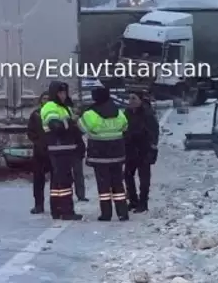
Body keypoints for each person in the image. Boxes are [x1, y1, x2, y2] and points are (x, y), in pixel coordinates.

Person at [78, 86, 130, 221]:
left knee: (103, 186)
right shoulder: (118, 112)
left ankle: (106, 214)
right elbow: (125, 126)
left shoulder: (90, 114)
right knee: (118, 184)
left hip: (99, 154)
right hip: (117, 154)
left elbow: (81, 128)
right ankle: (123, 213)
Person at [40, 81, 83, 220]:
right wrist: (71, 122)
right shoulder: (50, 107)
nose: (63, 95)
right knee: (64, 182)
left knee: (58, 183)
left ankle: (57, 210)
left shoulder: (64, 107)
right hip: (58, 148)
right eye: (60, 92)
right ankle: (66, 211)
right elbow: (55, 126)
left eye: (64, 92)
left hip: (65, 149)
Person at [124, 92, 159, 213]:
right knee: (128, 175)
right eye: (129, 98)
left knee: (144, 178)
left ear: (140, 100)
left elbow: (154, 130)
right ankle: (133, 200)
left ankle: (143, 202)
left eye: (134, 98)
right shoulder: (127, 113)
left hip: (143, 150)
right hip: (130, 149)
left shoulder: (146, 113)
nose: (131, 101)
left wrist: (152, 145)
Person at [27, 92, 50, 214]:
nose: (45, 100)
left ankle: (56, 205)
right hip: (40, 152)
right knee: (38, 181)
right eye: (44, 98)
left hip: (53, 151)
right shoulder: (36, 114)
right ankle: (38, 205)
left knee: (57, 181)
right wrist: (38, 143)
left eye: (48, 98)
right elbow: (31, 132)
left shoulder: (55, 112)